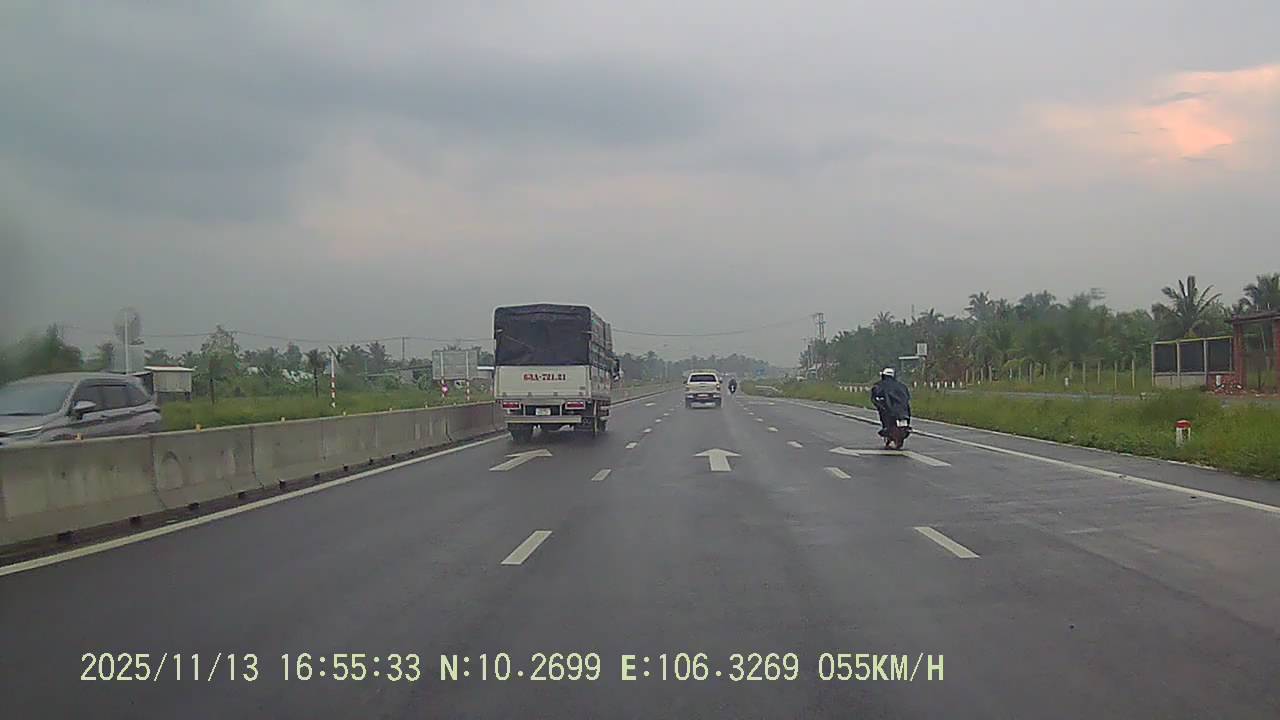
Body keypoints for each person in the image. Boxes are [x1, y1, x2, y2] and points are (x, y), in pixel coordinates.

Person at [870, 367, 911, 437]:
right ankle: (901, 427)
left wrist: (878, 402)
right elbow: (907, 397)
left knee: (883, 411)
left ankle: (886, 427)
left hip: (891, 409)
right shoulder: (902, 386)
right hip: (904, 410)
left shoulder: (880, 385)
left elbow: (875, 395)